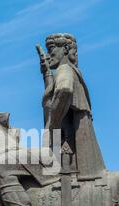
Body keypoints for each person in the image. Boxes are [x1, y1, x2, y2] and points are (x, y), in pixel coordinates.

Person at [37, 33, 105, 180]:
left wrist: (51, 125)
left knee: (6, 165)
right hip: (65, 145)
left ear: (65, 49)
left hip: (66, 147)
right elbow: (53, 96)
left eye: (51, 49)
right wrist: (46, 74)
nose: (49, 55)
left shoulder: (64, 70)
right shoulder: (71, 71)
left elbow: (64, 90)